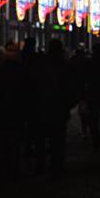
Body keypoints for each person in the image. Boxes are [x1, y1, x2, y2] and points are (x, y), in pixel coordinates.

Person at [32, 39, 75, 175]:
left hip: (42, 107)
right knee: (58, 140)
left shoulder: (41, 65)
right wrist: (67, 105)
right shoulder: (64, 66)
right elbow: (69, 88)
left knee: (41, 139)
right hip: (59, 109)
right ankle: (57, 166)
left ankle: (40, 164)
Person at [0, 42, 27, 181]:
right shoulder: (22, 71)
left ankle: (1, 170)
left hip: (2, 111)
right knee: (14, 143)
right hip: (16, 112)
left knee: (2, 142)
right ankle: (13, 169)